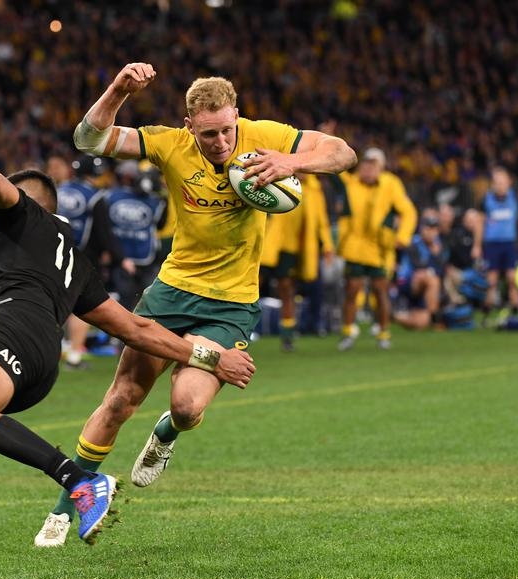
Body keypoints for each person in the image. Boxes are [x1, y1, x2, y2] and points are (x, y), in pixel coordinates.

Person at [0, 101, 256, 563]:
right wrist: (210, 357)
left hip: (11, 330)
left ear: (26, 200)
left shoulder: (20, 214)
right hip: (40, 358)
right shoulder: (75, 262)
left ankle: (81, 482)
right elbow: (136, 329)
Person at [34, 62, 356, 547]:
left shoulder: (264, 136)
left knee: (186, 407)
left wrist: (293, 163)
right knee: (120, 399)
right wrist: (119, 89)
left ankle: (167, 432)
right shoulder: (170, 145)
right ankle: (65, 505)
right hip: (172, 292)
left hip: (231, 304)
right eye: (208, 134)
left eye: (227, 130)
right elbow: (88, 139)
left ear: (237, 117)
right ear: (190, 127)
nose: (221, 142)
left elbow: (342, 152)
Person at [57, 154, 135, 369]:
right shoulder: (95, 197)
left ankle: (41, 353)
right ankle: (74, 356)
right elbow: (104, 233)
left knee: (54, 303)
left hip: (55, 251)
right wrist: (120, 259)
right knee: (81, 304)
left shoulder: (60, 189)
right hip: (84, 258)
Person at [335, 147, 417, 351]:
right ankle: (348, 332)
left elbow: (408, 212)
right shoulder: (352, 182)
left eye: (373, 165)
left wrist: (403, 237)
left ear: (380, 167)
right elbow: (334, 173)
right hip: (355, 246)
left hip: (379, 248)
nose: (368, 169)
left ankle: (383, 333)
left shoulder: (391, 184)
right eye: (365, 165)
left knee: (380, 291)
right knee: (352, 290)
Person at [260, 173, 335, 351]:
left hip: (296, 247)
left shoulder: (315, 189)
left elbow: (321, 220)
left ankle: (287, 335)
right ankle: (240, 329)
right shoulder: (277, 178)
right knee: (254, 285)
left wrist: (327, 245)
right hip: (270, 243)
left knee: (287, 289)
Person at [472, 165, 518, 325]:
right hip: (492, 245)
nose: (500, 185)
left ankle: (517, 312)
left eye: (502, 182)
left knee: (513, 278)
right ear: (492, 184)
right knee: (491, 280)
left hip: (509, 244)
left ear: (508, 182)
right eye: (497, 182)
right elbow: (480, 223)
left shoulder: (516, 198)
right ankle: (486, 313)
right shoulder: (486, 200)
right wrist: (477, 245)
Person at [106, 160, 166, 310]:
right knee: (149, 302)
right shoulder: (154, 200)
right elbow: (161, 224)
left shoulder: (110, 196)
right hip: (139, 257)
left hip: (124, 256)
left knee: (127, 302)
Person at [392, 209, 447, 330]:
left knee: (422, 322)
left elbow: (441, 271)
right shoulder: (414, 243)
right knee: (431, 279)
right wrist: (434, 256)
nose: (431, 232)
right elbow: (419, 267)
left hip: (426, 291)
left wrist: (436, 255)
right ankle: (436, 320)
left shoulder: (439, 246)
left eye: (434, 229)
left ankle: (396, 316)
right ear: (422, 229)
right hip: (408, 283)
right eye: (428, 228)